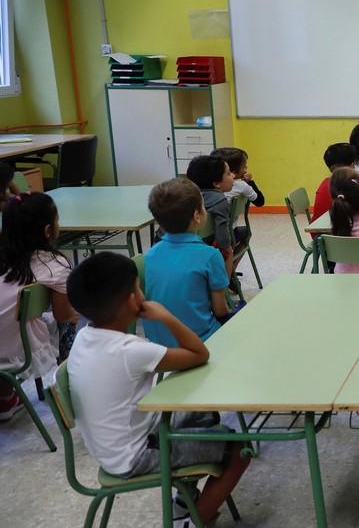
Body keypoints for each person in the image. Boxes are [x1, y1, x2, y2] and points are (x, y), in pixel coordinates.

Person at [66, 252, 251, 526]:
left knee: (204, 412)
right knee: (240, 450)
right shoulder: (130, 351)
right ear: (132, 299)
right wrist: (166, 316)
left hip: (114, 445)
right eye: (139, 288)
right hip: (135, 456)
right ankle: (195, 520)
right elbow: (199, 353)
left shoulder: (85, 337)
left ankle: (183, 499)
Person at [0, 193, 78, 421]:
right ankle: (70, 385)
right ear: (47, 230)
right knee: (71, 322)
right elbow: (63, 314)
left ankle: (5, 395)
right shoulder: (53, 265)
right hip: (14, 351)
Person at [142, 178, 231, 347]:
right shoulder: (210, 255)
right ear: (198, 216)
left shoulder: (150, 254)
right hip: (200, 340)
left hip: (158, 342)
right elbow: (220, 310)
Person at [186, 155, 236, 280]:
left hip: (175, 249)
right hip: (200, 250)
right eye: (229, 173)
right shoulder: (219, 200)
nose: (233, 176)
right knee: (228, 251)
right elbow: (222, 237)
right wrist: (228, 247)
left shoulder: (183, 196)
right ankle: (223, 290)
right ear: (216, 183)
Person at [313, 142, 358, 225]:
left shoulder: (328, 181)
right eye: (353, 163)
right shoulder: (342, 187)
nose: (354, 166)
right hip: (327, 233)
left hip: (325, 232)